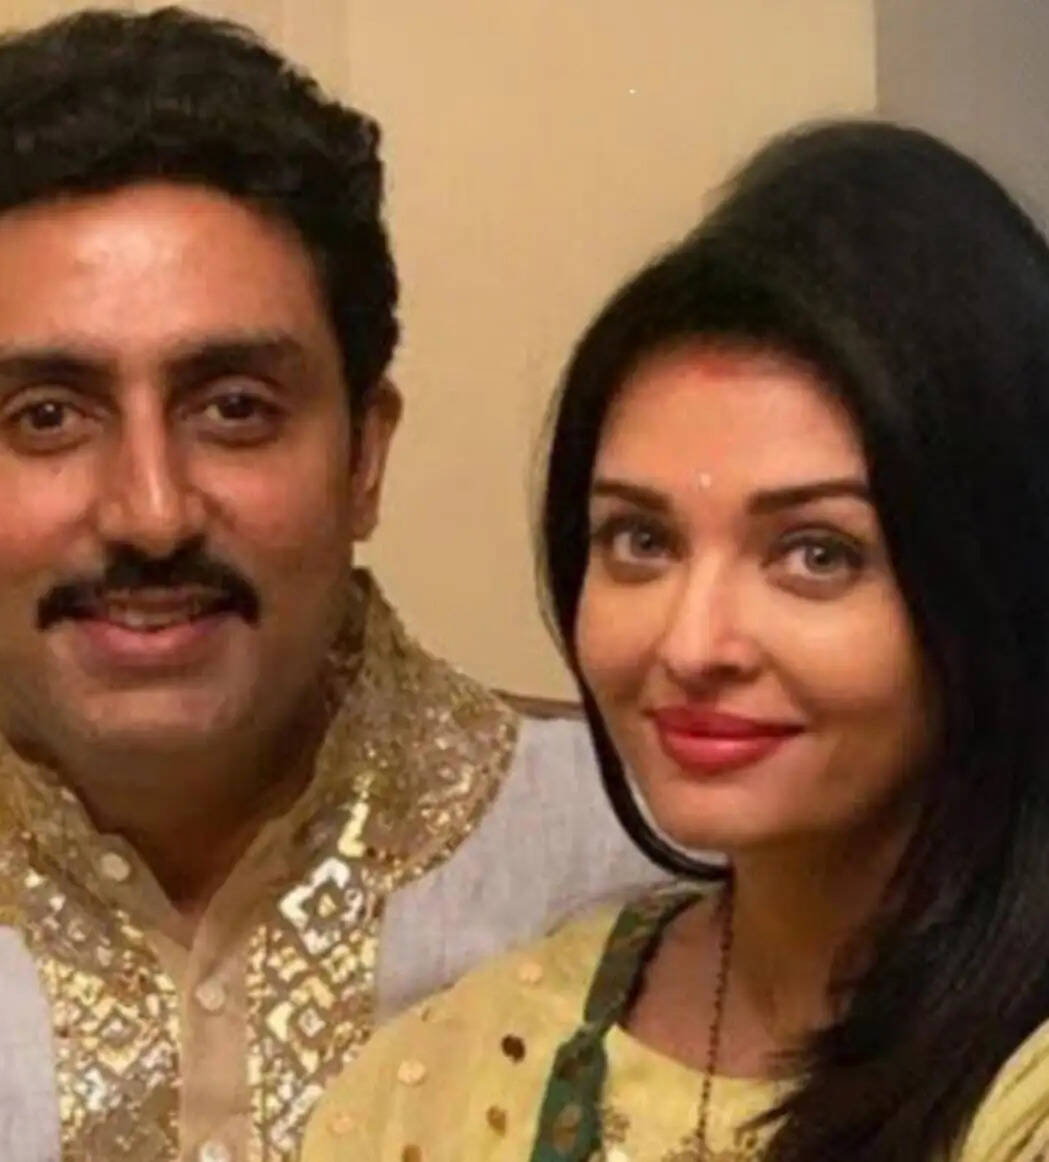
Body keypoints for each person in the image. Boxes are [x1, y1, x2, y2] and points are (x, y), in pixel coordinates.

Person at [0, 8, 655, 1162]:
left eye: (236, 408)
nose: (151, 511)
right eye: (47, 416)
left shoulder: (639, 859)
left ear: (363, 455)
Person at [301, 120, 1049, 1162]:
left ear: (995, 581)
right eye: (641, 541)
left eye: (816, 553)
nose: (692, 645)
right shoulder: (463, 1069)